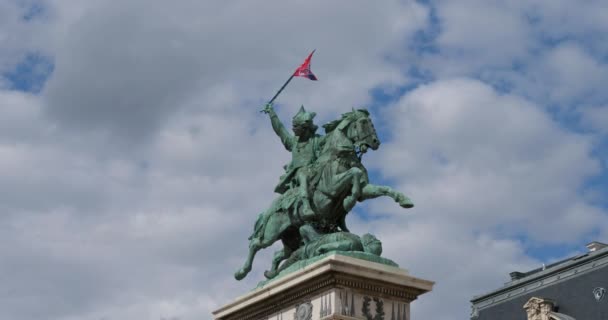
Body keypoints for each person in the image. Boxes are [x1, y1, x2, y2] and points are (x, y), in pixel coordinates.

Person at [262, 103, 324, 219]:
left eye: (295, 126)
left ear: (304, 128)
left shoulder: (318, 140)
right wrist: (272, 114)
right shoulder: (293, 142)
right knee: (303, 175)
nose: (293, 128)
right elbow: (280, 129)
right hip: (299, 174)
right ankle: (306, 206)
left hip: (316, 170)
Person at [264, 225, 382, 279]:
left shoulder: (355, 243)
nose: (372, 237)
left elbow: (339, 245)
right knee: (304, 229)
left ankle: (277, 272)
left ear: (367, 244)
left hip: (316, 245)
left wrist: (325, 248)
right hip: (319, 240)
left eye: (372, 239)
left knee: (295, 256)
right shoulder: (356, 240)